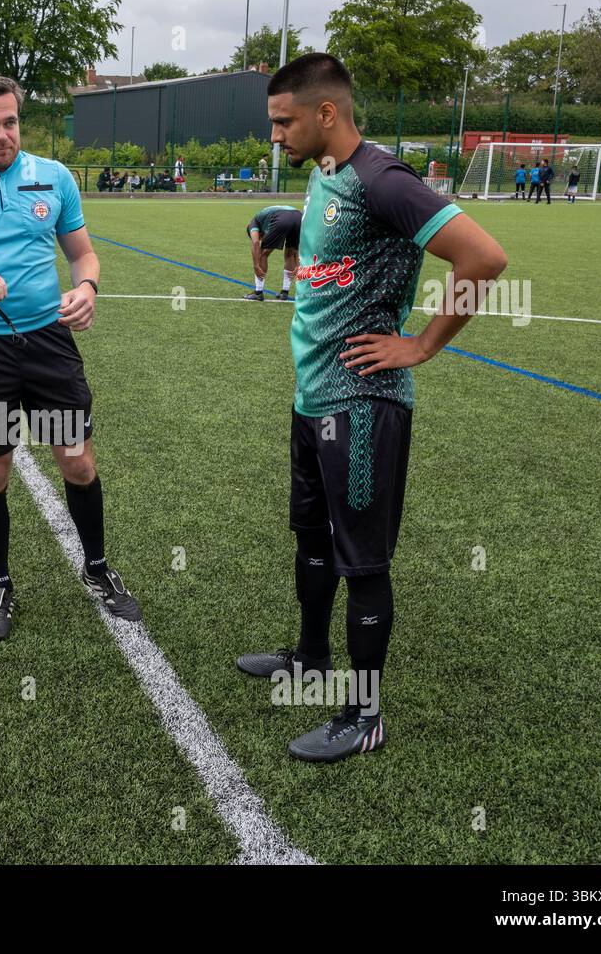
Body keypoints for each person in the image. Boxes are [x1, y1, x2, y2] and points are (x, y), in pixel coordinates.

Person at [235, 52, 507, 762]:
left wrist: (419, 346)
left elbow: (484, 258)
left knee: (363, 563)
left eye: (283, 122)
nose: (276, 137)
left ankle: (366, 716)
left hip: (362, 405)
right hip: (313, 395)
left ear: (327, 112)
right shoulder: (330, 176)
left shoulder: (384, 178)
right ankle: (310, 661)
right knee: (312, 539)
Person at [0, 74, 142, 641]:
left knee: (77, 461)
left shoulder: (53, 177)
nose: (2, 135)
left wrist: (86, 289)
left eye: (10, 122)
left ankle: (96, 567)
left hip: (47, 346)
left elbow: (83, 255)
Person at [242, 204, 301, 302]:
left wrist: (256, 265)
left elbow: (255, 242)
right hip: (299, 217)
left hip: (282, 218)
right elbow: (296, 249)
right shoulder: (266, 219)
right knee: (290, 253)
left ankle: (258, 292)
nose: (261, 238)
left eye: (261, 237)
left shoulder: (253, 223)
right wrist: (299, 264)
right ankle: (284, 292)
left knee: (263, 254)